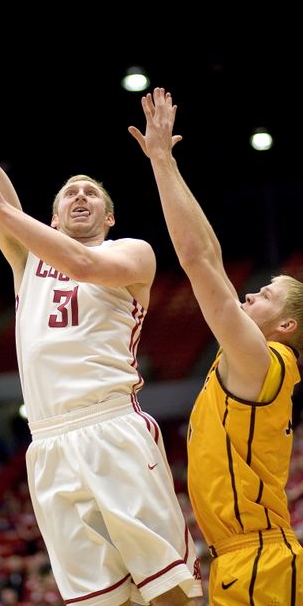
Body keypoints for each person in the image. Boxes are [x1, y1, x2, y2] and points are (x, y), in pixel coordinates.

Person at [0, 3, 203, 606]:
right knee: (102, 600)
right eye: (68, 193)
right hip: (47, 443)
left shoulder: (131, 253)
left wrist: (3, 209)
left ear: (109, 216)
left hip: (111, 428)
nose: (80, 195)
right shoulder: (28, 260)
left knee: (168, 593)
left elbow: (81, 263)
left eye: (92, 193)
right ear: (51, 216)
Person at [129, 86, 303, 605]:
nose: (252, 291)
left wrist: (162, 161)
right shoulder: (247, 363)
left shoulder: (265, 360)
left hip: (262, 562)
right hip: (238, 561)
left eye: (268, 293)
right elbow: (208, 256)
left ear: (288, 328)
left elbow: (198, 259)